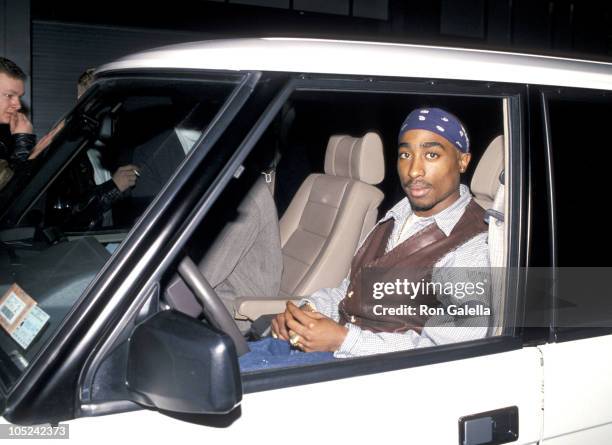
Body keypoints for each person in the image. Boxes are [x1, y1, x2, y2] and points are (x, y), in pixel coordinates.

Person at [240, 107, 491, 371]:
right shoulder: (397, 215)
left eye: (431, 155)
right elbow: (349, 290)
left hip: (382, 374)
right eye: (405, 155)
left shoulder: (474, 244)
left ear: (463, 161)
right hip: (339, 355)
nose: (414, 170)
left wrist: (343, 340)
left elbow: (448, 351)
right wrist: (305, 313)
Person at [0, 57, 36, 189]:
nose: (18, 105)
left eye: (19, 97)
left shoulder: (5, 135)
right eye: (9, 95)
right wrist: (23, 144)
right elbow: (12, 199)